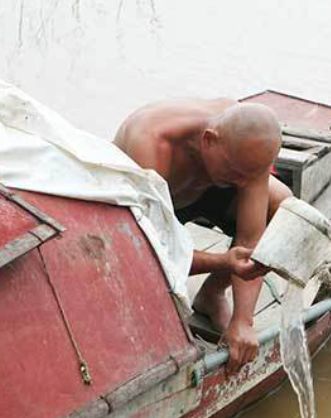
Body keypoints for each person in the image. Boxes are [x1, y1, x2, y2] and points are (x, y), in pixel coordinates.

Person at [114, 98, 293, 371]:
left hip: (203, 191)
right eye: (237, 173)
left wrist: (243, 321)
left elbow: (250, 239)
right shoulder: (151, 145)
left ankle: (212, 294)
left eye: (251, 177)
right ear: (209, 140)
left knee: (282, 205)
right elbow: (148, 251)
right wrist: (224, 261)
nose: (244, 185)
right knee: (135, 264)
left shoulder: (246, 148)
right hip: (142, 208)